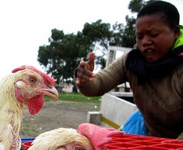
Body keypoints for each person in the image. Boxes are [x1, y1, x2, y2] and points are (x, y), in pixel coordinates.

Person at [74, 1, 183, 140]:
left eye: (153, 34)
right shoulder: (132, 62)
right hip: (145, 125)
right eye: (140, 36)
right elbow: (98, 85)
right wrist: (85, 80)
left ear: (175, 33)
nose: (145, 42)